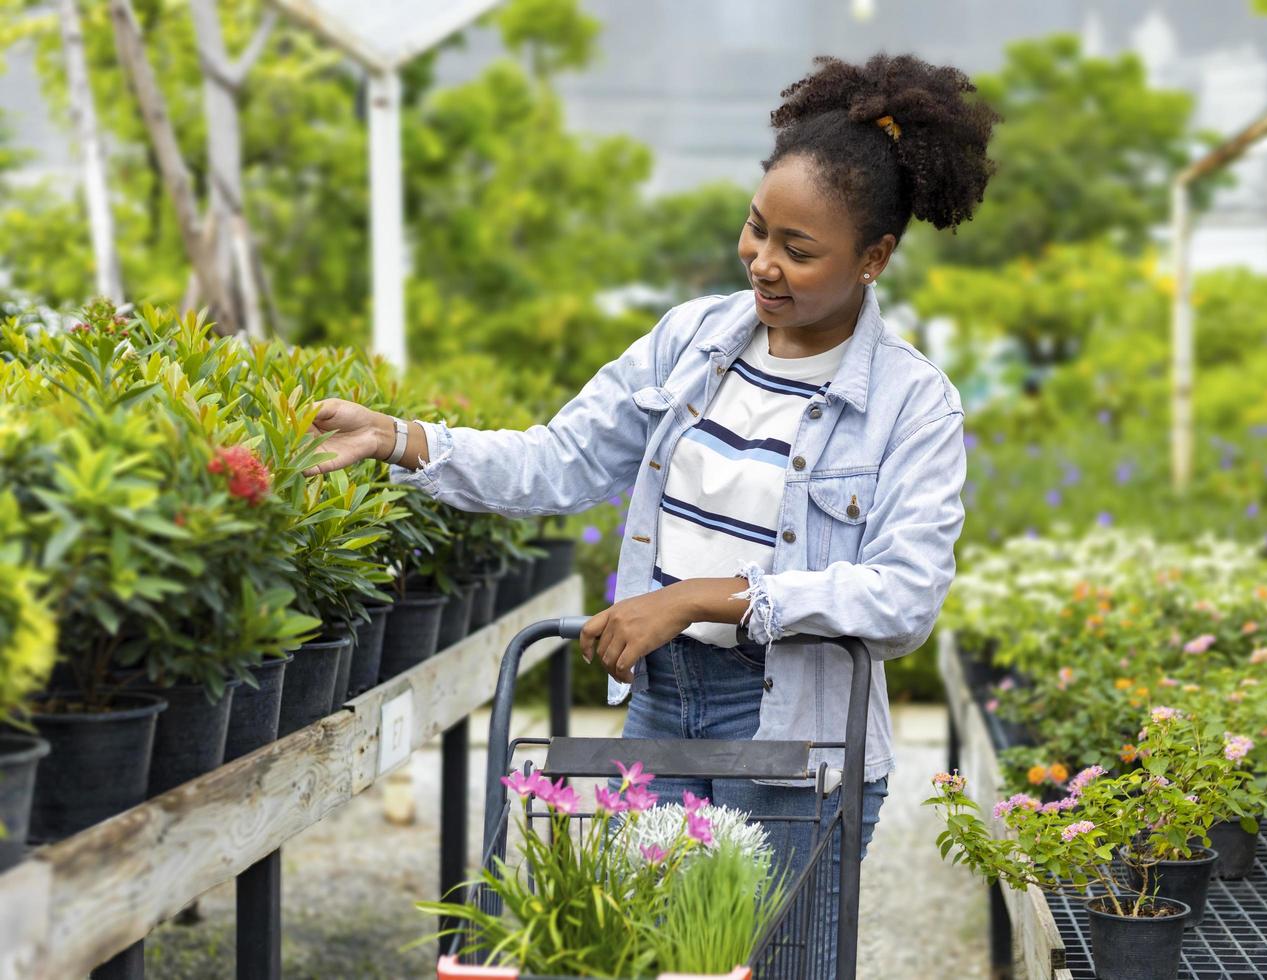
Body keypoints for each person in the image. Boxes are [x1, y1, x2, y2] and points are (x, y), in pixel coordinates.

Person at [308, 52, 997, 974]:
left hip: (798, 728)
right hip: (662, 704)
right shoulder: (690, 341)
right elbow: (559, 460)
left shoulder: (914, 405)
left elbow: (903, 597)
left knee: (776, 963)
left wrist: (699, 598)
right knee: (655, 959)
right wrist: (399, 438)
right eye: (757, 231)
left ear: (875, 258)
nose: (763, 263)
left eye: (800, 250)